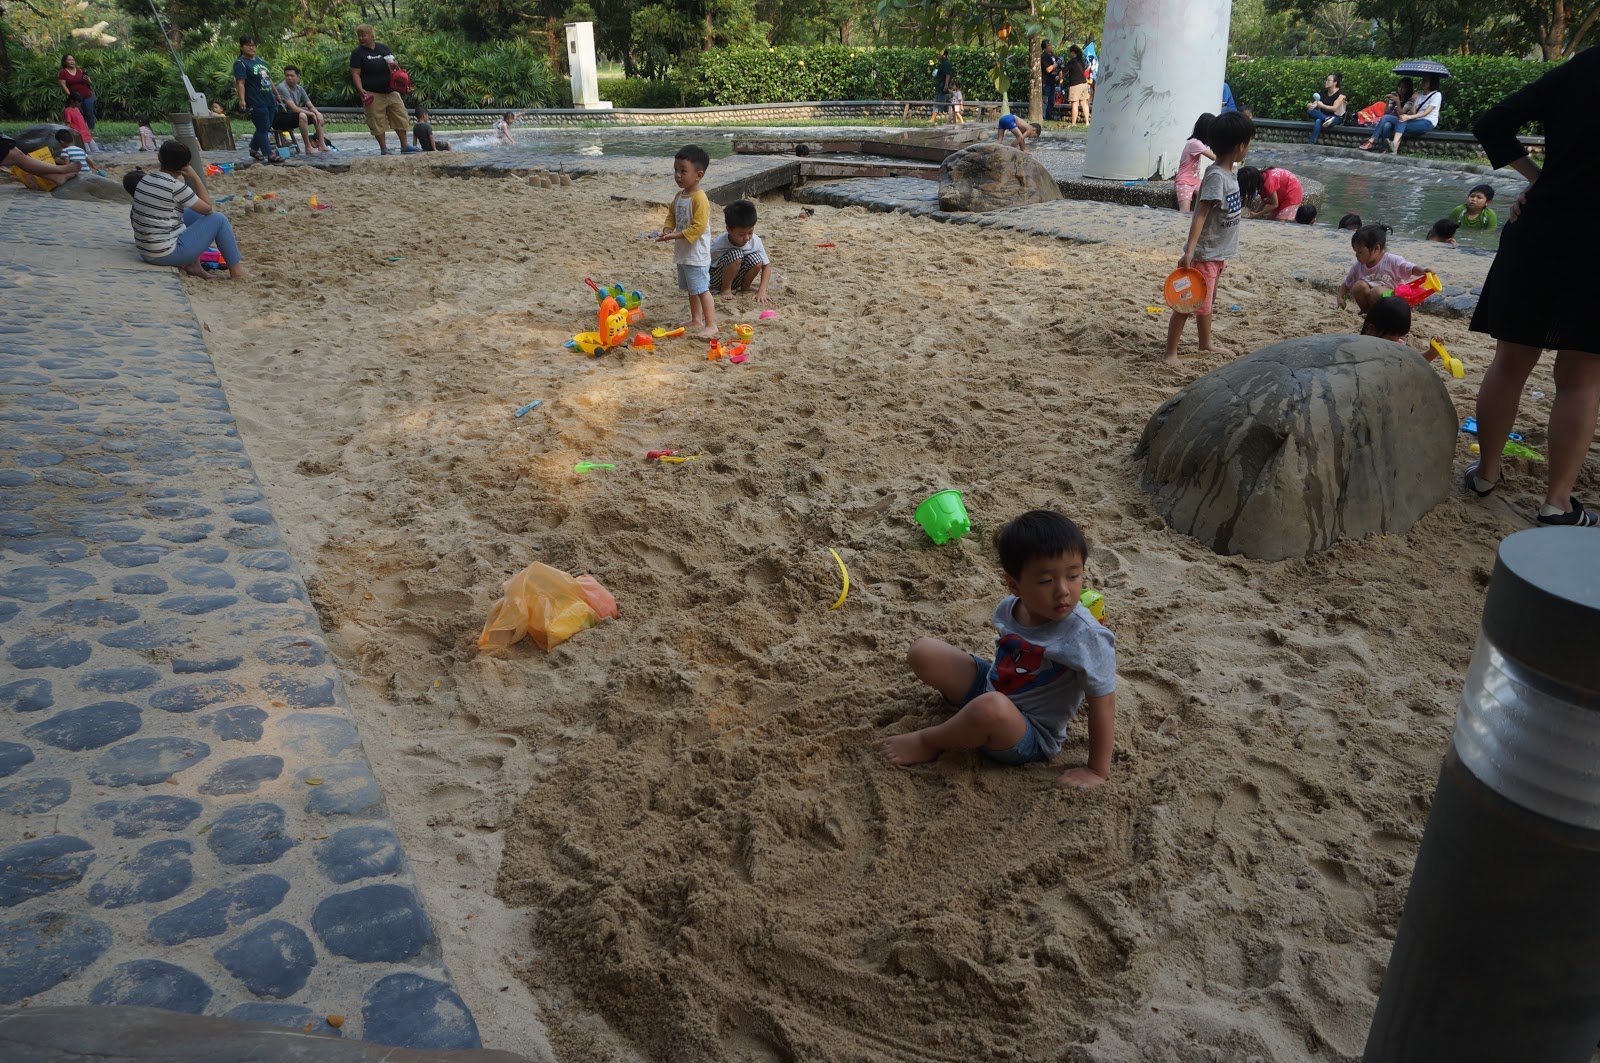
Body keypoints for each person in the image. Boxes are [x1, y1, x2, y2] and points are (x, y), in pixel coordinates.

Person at [877, 510, 1117, 790]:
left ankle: (928, 741)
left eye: (1074, 576)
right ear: (1014, 585)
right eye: (1046, 581)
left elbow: (1104, 702)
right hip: (993, 689)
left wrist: (1096, 770)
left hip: (1029, 733)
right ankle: (970, 720)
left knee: (991, 708)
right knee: (923, 652)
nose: (1063, 590)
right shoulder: (1009, 608)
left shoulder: (1086, 636)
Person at [1468, 47, 1600, 528]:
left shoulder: (1584, 66)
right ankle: (1556, 503)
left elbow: (1492, 123)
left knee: (1509, 362)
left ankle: (1486, 474)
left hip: (1540, 229)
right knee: (1581, 377)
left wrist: (1541, 181)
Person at [1166, 110, 1252, 365]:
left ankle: (1205, 343)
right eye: (1249, 143)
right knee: (1188, 303)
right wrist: (1190, 251)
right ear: (1240, 146)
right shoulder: (1216, 177)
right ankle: (1170, 353)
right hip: (1205, 254)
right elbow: (1200, 214)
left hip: (1218, 253)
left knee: (1207, 301)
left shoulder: (1229, 173)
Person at [129, 140, 246, 281]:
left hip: (146, 251)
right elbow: (208, 209)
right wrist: (195, 177)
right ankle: (237, 272)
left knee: (194, 213)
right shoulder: (175, 187)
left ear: (159, 157)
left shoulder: (145, 179)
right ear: (186, 164)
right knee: (218, 219)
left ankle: (195, 266)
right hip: (164, 254)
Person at [654, 144, 716, 338]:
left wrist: (674, 235)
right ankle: (696, 319)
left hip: (696, 254)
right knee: (691, 288)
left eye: (683, 171)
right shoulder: (680, 196)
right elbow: (671, 215)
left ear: (698, 175)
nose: (677, 175)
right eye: (675, 170)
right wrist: (667, 230)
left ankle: (711, 324)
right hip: (684, 253)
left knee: (702, 289)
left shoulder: (700, 199)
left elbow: (698, 228)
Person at [351, 23, 416, 154]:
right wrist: (360, 89)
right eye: (359, 36)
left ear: (371, 36)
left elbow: (394, 66)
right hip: (372, 92)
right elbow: (355, 73)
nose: (361, 38)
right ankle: (384, 148)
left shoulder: (383, 48)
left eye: (363, 35)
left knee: (400, 115)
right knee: (377, 120)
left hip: (390, 90)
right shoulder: (357, 53)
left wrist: (395, 65)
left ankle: (404, 146)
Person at [1337, 224, 1428, 314]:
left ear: (1376, 248)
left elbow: (1410, 268)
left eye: (1360, 252)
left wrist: (1423, 271)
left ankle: (1380, 315)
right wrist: (1340, 297)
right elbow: (1347, 284)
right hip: (1373, 302)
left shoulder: (1392, 261)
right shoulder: (1358, 266)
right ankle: (1367, 312)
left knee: (1376, 292)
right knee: (1359, 286)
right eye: (1356, 252)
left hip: (1393, 303)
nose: (1356, 256)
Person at [710, 199, 772, 303]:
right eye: (741, 234)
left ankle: (745, 287)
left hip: (737, 279)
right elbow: (704, 263)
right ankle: (726, 290)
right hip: (717, 279)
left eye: (750, 232)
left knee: (757, 260)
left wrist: (762, 291)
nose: (747, 238)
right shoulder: (719, 243)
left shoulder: (755, 241)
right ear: (729, 230)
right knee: (736, 254)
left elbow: (766, 267)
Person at [232, 37, 282, 165]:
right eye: (248, 45)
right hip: (255, 100)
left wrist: (276, 94)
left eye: (253, 45)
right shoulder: (241, 63)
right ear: (242, 47)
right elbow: (240, 83)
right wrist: (242, 100)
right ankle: (269, 154)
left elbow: (268, 79)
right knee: (263, 128)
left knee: (265, 126)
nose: (251, 48)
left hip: (269, 99)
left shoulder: (260, 61)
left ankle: (253, 149)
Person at [1363, 74, 1441, 154]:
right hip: (1416, 120)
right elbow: (1414, 112)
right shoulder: (1420, 94)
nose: (1423, 83)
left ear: (1432, 82)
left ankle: (1394, 145)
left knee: (1403, 119)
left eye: (1426, 81)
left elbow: (1425, 113)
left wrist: (1408, 117)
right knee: (1391, 118)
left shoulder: (1436, 95)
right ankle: (1371, 142)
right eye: (1423, 80)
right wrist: (1414, 101)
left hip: (1427, 122)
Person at [1, 128, 82, 190]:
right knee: (18, 157)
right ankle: (60, 171)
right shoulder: (79, 150)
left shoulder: (66, 151)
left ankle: (57, 176)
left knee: (18, 157)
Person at [274, 66, 329, 155]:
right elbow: (294, 108)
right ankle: (308, 147)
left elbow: (310, 106)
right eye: (287, 75)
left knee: (317, 115)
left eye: (292, 76)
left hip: (292, 115)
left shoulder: (299, 89)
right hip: (279, 117)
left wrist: (317, 113)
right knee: (303, 115)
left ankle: (322, 145)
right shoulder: (282, 87)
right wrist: (312, 114)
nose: (289, 78)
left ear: (298, 77)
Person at [1174, 113, 1215, 212]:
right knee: (1184, 212)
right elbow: (1214, 157)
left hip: (1195, 181)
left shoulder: (1197, 143)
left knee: (1212, 198)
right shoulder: (1195, 143)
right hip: (1184, 182)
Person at [1238, 165, 1302, 221]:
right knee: (1269, 219)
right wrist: (1255, 213)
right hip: (1282, 194)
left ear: (1252, 181)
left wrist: (1256, 215)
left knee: (1279, 222)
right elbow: (1265, 200)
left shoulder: (1268, 184)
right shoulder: (1261, 177)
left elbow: (1274, 205)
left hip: (1292, 194)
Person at [1306, 72, 1347, 145]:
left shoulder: (1341, 94)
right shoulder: (1323, 92)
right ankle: (1326, 119)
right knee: (1310, 111)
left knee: (1318, 120)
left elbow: (1334, 108)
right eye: (1326, 80)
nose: (1326, 82)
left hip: (1335, 117)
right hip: (1325, 116)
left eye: (1328, 80)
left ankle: (1311, 143)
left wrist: (1322, 106)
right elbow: (1316, 102)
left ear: (1335, 83)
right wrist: (1310, 105)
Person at [58, 54, 95, 132]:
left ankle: (91, 131)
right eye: (69, 60)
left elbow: (90, 83)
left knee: (89, 113)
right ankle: (79, 131)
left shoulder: (80, 71)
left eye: (73, 60)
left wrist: (87, 80)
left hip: (87, 95)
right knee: (78, 115)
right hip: (75, 98)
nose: (72, 61)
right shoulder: (63, 73)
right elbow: (64, 86)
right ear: (65, 62)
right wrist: (70, 95)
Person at [1064, 45, 1090, 127]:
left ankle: (1073, 123)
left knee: (1075, 104)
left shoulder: (1071, 62)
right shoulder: (1081, 61)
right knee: (1084, 103)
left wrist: (1060, 77)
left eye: (1070, 52)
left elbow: (1064, 71)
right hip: (1084, 83)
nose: (1069, 54)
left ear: (1073, 52)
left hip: (1075, 84)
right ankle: (1087, 122)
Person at [932, 49, 953, 122]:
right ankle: (953, 118)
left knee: (938, 102)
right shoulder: (942, 63)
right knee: (948, 103)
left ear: (944, 55)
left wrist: (946, 85)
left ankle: (933, 118)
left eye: (939, 54)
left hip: (942, 86)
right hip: (940, 86)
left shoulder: (946, 64)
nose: (937, 56)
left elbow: (947, 75)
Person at [1040, 40, 1059, 122]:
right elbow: (1048, 69)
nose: (1051, 46)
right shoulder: (1044, 56)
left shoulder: (1053, 56)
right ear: (1045, 48)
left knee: (1051, 100)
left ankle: (1049, 115)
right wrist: (1057, 64)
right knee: (1045, 99)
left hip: (1052, 81)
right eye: (1049, 45)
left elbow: (1060, 66)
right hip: (1046, 81)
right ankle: (1043, 116)